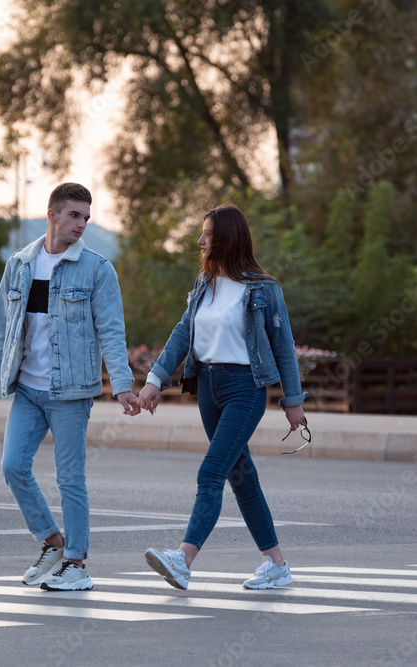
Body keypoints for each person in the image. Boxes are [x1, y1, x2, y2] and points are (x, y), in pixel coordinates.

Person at [0, 182, 140, 592]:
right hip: (28, 390)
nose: (81, 224)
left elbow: (111, 331)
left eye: (87, 217)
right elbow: (2, 328)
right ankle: (53, 541)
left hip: (70, 392)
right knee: (12, 465)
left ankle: (77, 563)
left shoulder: (97, 269)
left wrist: (122, 385)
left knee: (70, 479)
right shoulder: (19, 263)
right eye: (74, 215)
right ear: (52, 215)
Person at [138, 204, 307, 591]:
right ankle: (277, 564)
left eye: (208, 234)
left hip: (245, 388)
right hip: (208, 387)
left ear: (227, 239)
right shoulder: (204, 284)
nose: (201, 241)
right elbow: (183, 333)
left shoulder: (264, 288)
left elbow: (283, 346)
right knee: (241, 476)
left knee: (211, 472)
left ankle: (183, 559)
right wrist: (155, 379)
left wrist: (292, 401)